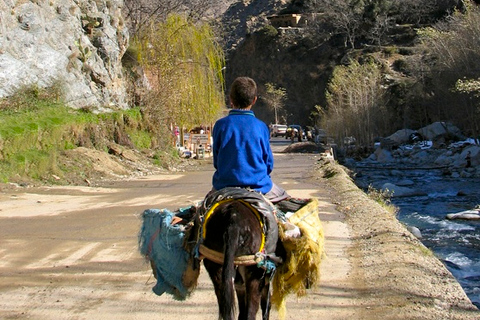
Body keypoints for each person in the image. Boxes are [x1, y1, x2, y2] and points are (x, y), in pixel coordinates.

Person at [210, 76, 289, 203]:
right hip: (259, 187)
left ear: (231, 100)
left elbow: (216, 161)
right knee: (285, 200)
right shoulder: (261, 127)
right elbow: (268, 164)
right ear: (254, 100)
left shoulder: (220, 125)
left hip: (224, 187)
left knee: (203, 212)